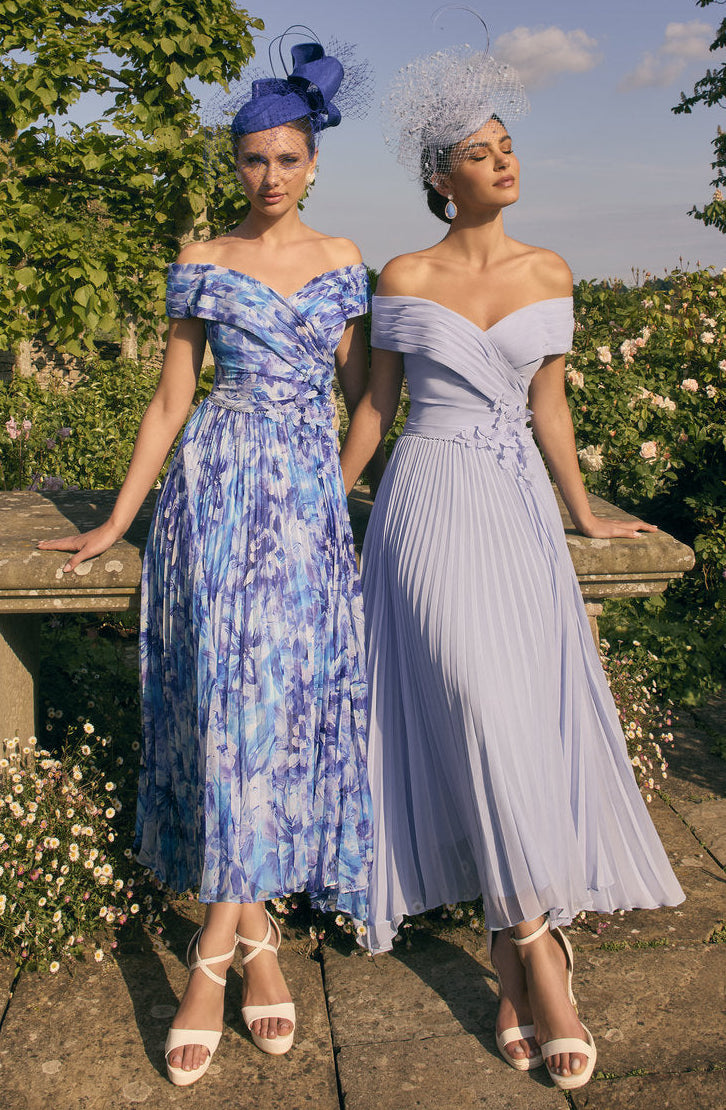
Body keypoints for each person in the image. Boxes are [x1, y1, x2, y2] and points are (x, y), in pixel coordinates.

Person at [339, 46, 684, 1093]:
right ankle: (543, 958)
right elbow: (375, 410)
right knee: (477, 707)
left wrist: (584, 514)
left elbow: (551, 406)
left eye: (508, 146)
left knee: (518, 718)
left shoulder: (549, 273)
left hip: (521, 515)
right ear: (441, 178)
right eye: (481, 154)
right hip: (429, 504)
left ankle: (505, 952)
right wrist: (321, 499)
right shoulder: (403, 276)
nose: (504, 161)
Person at [38, 36, 375, 1087]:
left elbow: (372, 397)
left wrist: (334, 484)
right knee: (228, 714)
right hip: (216, 497)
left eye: (284, 159)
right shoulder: (202, 260)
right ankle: (251, 935)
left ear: (312, 162)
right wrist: (114, 522)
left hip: (305, 505)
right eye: (250, 161)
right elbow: (171, 399)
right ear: (234, 165)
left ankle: (216, 951)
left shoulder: (343, 260)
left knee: (281, 716)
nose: (267, 177)